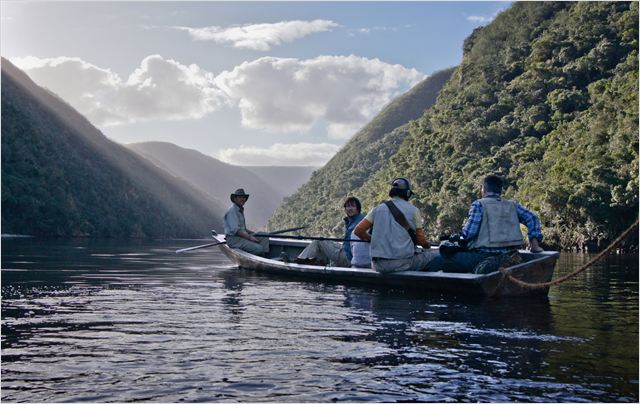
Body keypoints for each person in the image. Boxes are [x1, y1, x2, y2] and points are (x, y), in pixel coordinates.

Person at [426, 175, 544, 273]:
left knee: (438, 261)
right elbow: (532, 218)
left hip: (482, 256)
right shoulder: (513, 205)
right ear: (500, 190)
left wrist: (456, 240)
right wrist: (534, 245)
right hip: (510, 254)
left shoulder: (479, 204)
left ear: (483, 189)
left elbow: (469, 234)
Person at [353, 177, 438, 273]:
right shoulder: (414, 210)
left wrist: (371, 239)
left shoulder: (377, 209)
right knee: (435, 255)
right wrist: (427, 246)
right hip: (402, 263)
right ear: (407, 193)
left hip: (378, 265)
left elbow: (358, 230)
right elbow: (421, 240)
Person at [295, 197, 365, 267]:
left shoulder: (359, 222)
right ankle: (318, 262)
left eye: (353, 206)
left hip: (348, 258)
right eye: (348, 206)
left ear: (357, 209)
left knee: (318, 241)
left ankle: (301, 259)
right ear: (345, 209)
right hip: (347, 251)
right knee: (330, 239)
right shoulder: (352, 220)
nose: (350, 208)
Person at [224, 188, 269, 255]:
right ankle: (260, 253)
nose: (242, 199)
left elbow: (243, 229)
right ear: (235, 199)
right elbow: (236, 231)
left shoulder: (240, 210)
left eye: (243, 197)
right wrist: (250, 237)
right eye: (240, 197)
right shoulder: (232, 211)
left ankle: (264, 256)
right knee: (258, 248)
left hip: (241, 237)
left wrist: (254, 233)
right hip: (234, 240)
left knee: (264, 235)